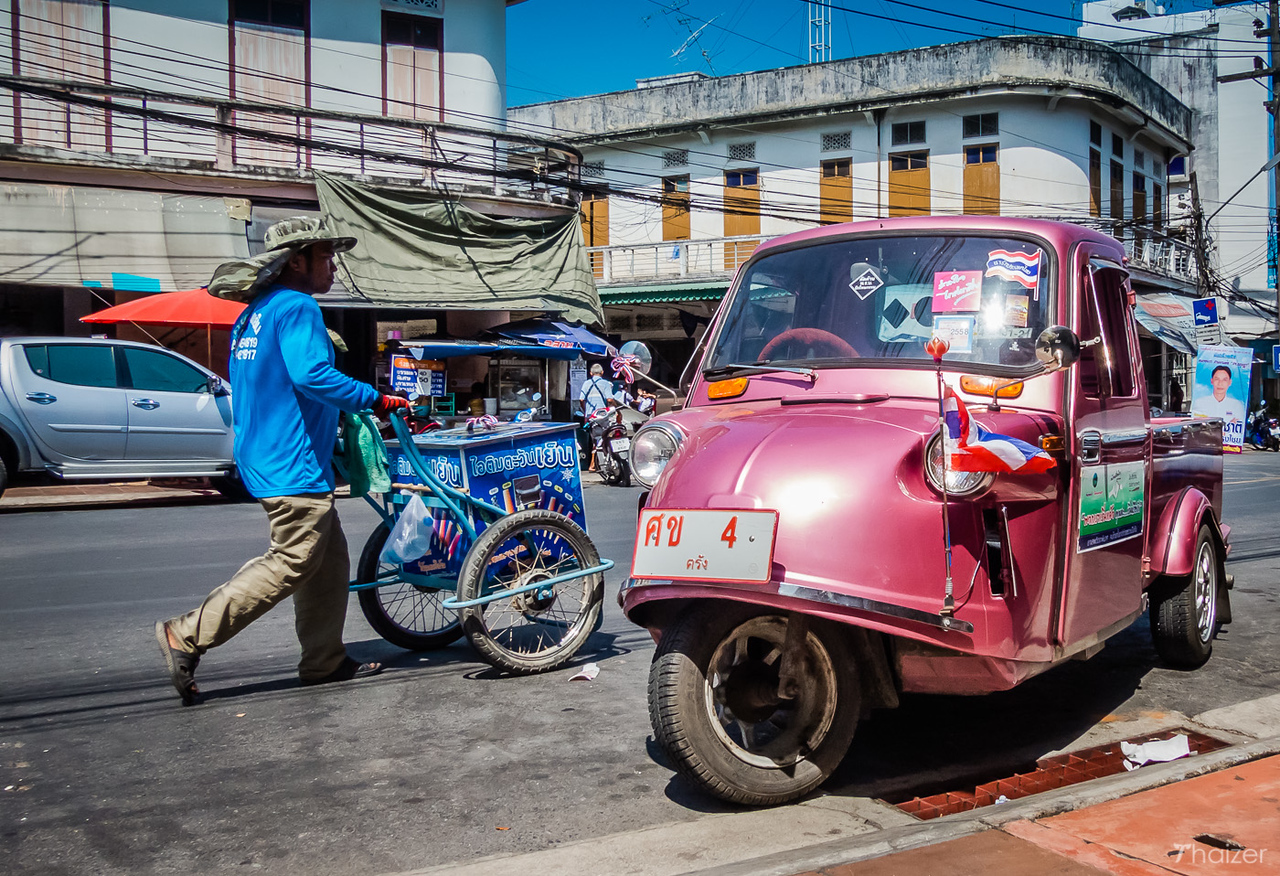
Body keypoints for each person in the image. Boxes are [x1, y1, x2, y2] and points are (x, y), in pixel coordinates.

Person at [154, 216, 412, 706]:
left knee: (327, 562)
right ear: (297, 261)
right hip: (290, 460)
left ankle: (324, 661)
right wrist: (375, 400)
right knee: (293, 560)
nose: (333, 266)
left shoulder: (256, 312)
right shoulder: (297, 306)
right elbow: (312, 376)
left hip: (265, 452)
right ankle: (185, 635)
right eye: (326, 256)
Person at [577, 363, 619, 472]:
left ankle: (594, 464)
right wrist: (616, 406)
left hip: (591, 416)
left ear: (590, 373)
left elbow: (581, 400)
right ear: (602, 373)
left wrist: (586, 412)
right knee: (605, 438)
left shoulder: (586, 384)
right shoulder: (605, 383)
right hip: (602, 415)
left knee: (595, 440)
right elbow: (609, 399)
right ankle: (596, 463)